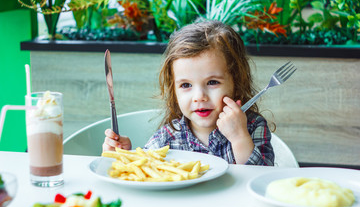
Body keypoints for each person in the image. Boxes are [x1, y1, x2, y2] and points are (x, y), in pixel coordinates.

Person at [103, 20, 274, 165]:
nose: (199, 96)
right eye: (185, 85)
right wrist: (124, 156)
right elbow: (145, 175)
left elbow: (262, 180)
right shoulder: (167, 137)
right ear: (173, 89)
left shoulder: (252, 126)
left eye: (212, 82)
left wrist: (239, 138)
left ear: (237, 81)